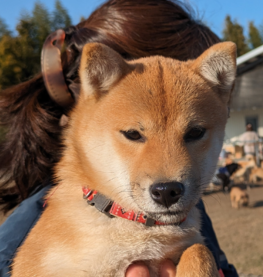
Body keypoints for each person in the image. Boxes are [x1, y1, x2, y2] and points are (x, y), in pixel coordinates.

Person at [0, 1, 237, 276]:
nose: (171, 171)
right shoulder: (33, 222)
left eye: (194, 133)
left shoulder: (191, 212)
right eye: (133, 134)